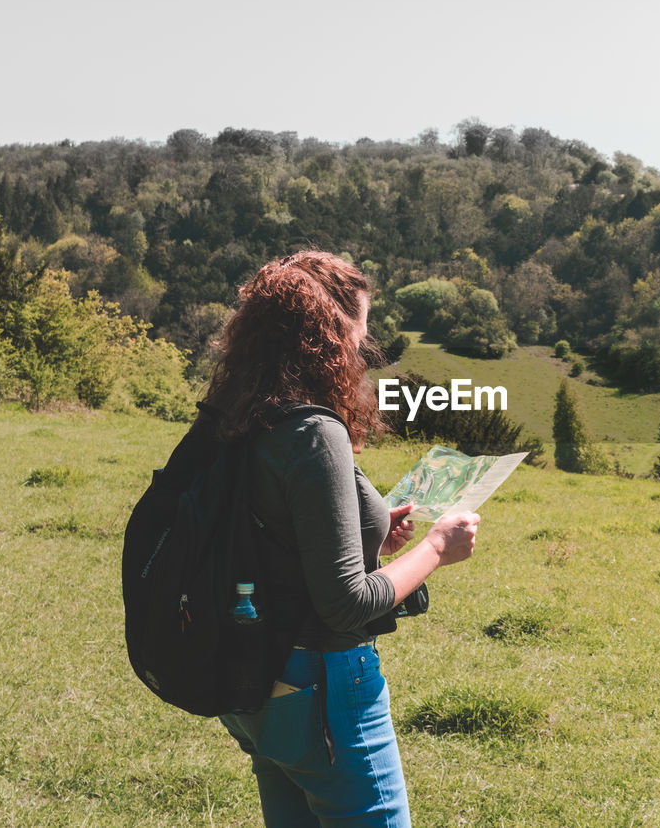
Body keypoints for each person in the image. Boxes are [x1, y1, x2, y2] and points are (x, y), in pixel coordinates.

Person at [202, 248, 479, 827]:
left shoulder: (244, 415)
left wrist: (375, 547)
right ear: (326, 332)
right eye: (359, 329)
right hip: (322, 684)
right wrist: (436, 548)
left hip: (257, 675)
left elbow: (275, 542)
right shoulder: (313, 432)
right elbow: (345, 604)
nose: (363, 347)